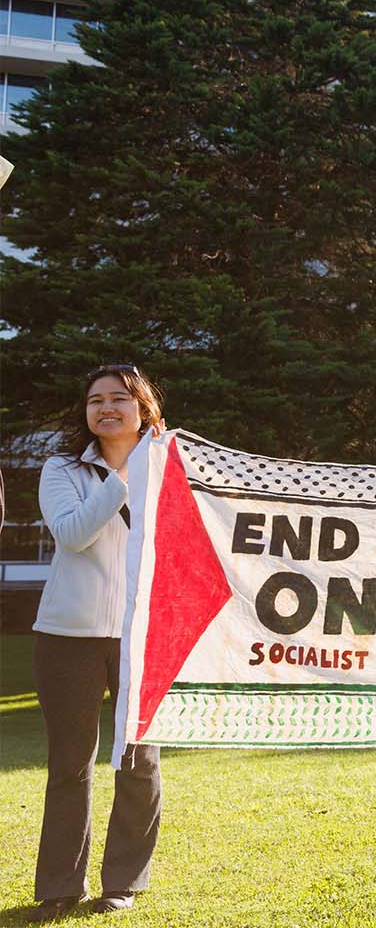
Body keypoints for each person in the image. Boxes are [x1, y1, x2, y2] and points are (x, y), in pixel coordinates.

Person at [30, 364, 165, 922]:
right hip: (67, 637)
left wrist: (152, 465)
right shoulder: (62, 467)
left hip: (143, 633)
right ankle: (60, 886)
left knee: (138, 760)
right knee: (70, 764)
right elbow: (72, 533)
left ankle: (123, 882)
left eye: (119, 398)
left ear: (144, 408)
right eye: (95, 401)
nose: (106, 408)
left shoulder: (171, 467)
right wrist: (126, 476)